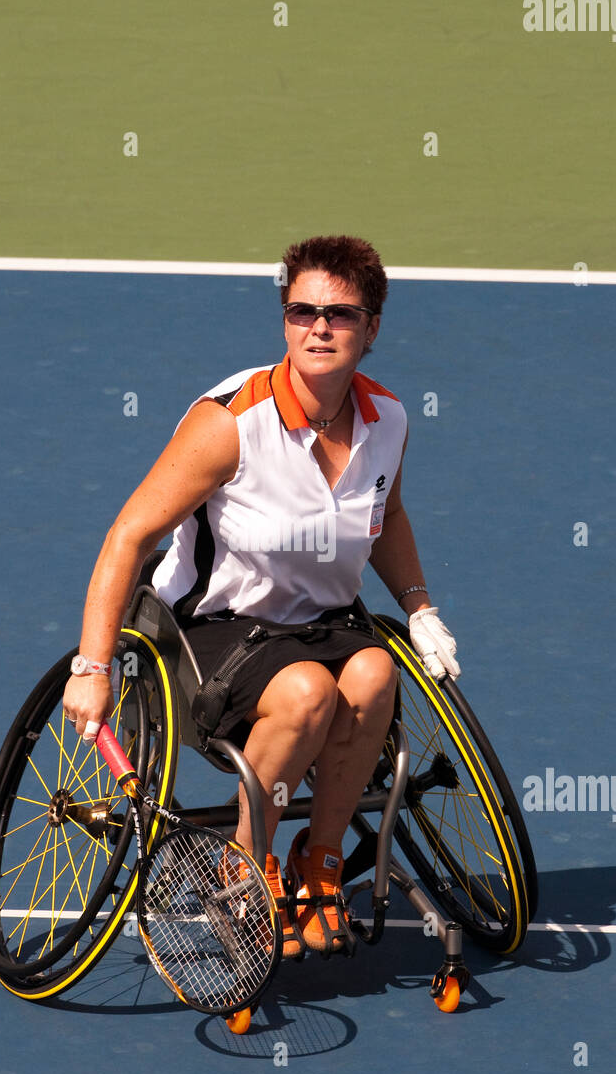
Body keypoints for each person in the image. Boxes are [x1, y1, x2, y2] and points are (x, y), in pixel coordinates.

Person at [62, 235, 459, 957]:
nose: (319, 326)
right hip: (209, 632)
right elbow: (126, 536)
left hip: (322, 621)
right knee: (307, 692)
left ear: (371, 329)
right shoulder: (229, 423)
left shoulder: (388, 420)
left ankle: (322, 864)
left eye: (340, 313)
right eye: (302, 310)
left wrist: (419, 605)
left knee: (375, 673)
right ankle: (244, 868)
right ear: (285, 320)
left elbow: (388, 515)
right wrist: (91, 668)